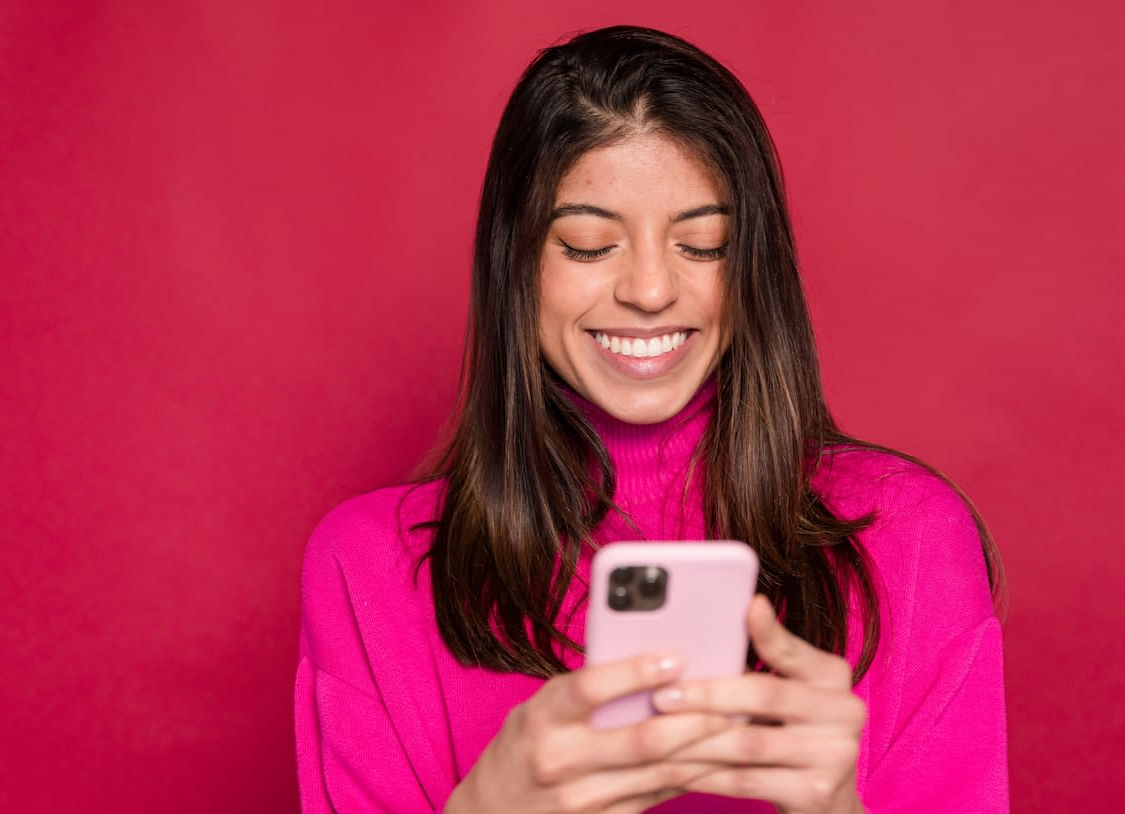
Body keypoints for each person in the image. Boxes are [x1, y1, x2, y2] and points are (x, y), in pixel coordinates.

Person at [296, 25, 1006, 813]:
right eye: (589, 245)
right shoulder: (365, 570)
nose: (650, 289)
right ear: (517, 264)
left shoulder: (909, 541)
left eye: (703, 245)